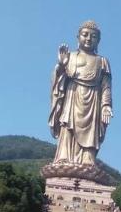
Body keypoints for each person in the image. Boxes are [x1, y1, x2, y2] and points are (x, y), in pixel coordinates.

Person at [48, 20, 113, 166]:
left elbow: (106, 86)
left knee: (91, 131)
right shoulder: (70, 56)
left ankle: (87, 160)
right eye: (85, 35)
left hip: (93, 100)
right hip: (72, 96)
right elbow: (57, 80)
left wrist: (106, 105)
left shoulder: (102, 61)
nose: (89, 38)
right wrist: (61, 66)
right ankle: (64, 157)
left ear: (98, 40)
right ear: (78, 37)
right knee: (67, 126)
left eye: (93, 36)